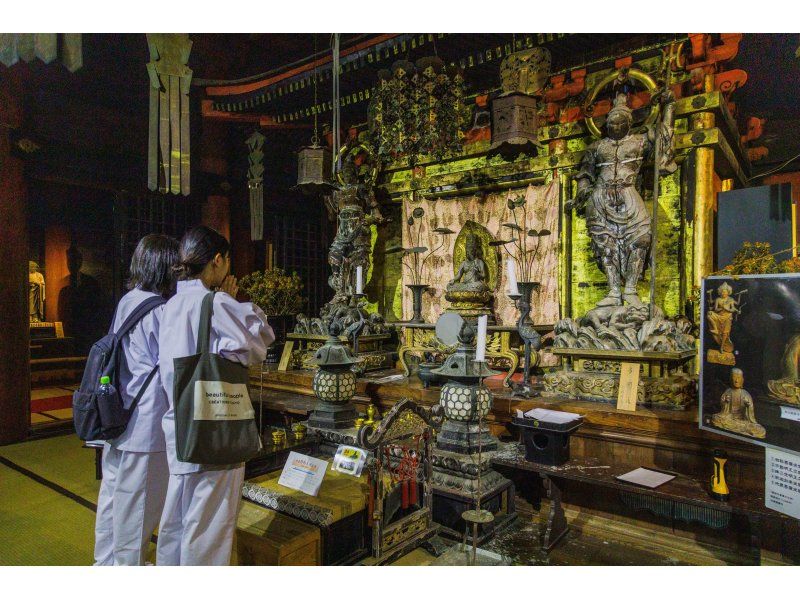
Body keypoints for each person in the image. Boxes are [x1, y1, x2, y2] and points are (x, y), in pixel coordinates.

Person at [157, 226, 274, 566]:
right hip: (213, 423)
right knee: (209, 524)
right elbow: (258, 344)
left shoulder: (172, 304)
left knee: (177, 518)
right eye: (227, 262)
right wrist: (234, 301)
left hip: (178, 423)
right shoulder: (218, 303)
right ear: (218, 261)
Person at [94, 234, 179, 566]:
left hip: (118, 420)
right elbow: (174, 371)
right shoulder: (161, 311)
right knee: (137, 516)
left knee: (113, 505)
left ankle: (104, 568)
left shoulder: (128, 300)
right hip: (146, 430)